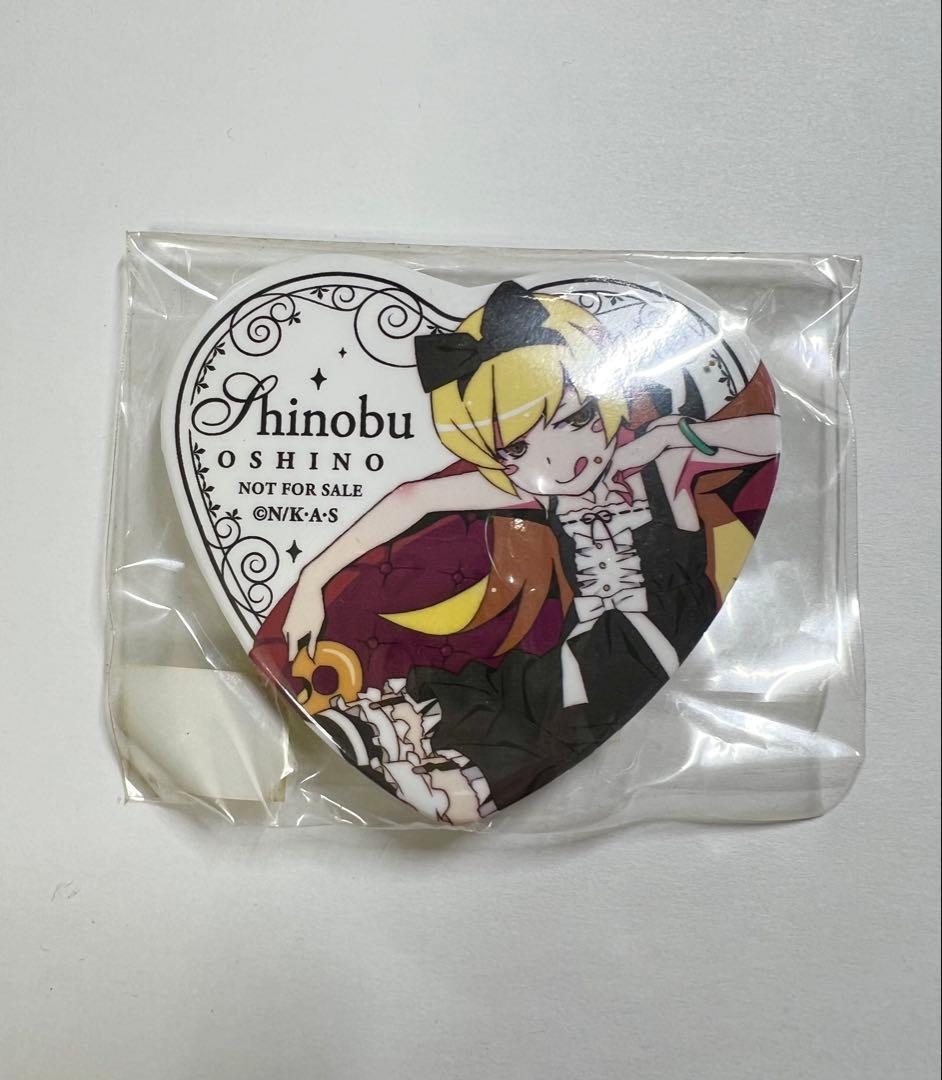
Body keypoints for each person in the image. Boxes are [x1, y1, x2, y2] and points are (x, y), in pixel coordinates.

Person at [272, 282, 780, 823]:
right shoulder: (535, 491)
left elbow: (766, 435)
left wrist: (676, 434)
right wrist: (311, 581)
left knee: (551, 700)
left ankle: (430, 764)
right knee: (511, 692)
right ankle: (399, 743)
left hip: (646, 648)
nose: (561, 459)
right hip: (580, 656)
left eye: (578, 418)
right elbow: (415, 498)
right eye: (517, 447)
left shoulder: (662, 465)